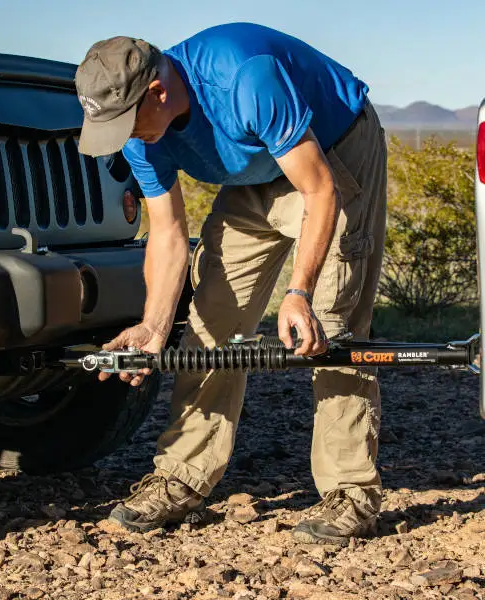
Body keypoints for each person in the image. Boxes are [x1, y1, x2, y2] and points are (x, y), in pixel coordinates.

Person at [75, 22, 387, 546]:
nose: (124, 137)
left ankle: (350, 493)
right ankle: (182, 474)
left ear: (158, 91)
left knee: (331, 327)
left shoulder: (245, 78)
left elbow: (319, 190)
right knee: (211, 317)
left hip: (332, 153)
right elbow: (169, 233)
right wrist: (153, 326)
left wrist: (299, 293)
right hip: (254, 174)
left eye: (128, 123)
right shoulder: (139, 130)